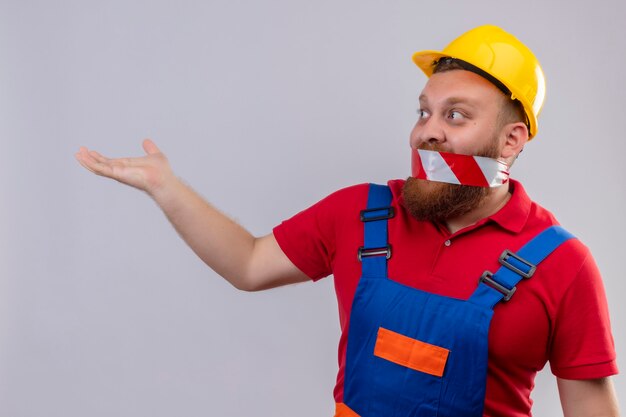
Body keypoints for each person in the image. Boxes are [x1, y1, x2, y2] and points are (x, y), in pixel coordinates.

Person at [75, 25, 619, 416]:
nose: (427, 131)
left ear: (510, 140)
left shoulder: (562, 266)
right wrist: (165, 188)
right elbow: (248, 263)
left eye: (455, 115)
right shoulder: (362, 213)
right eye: (423, 111)